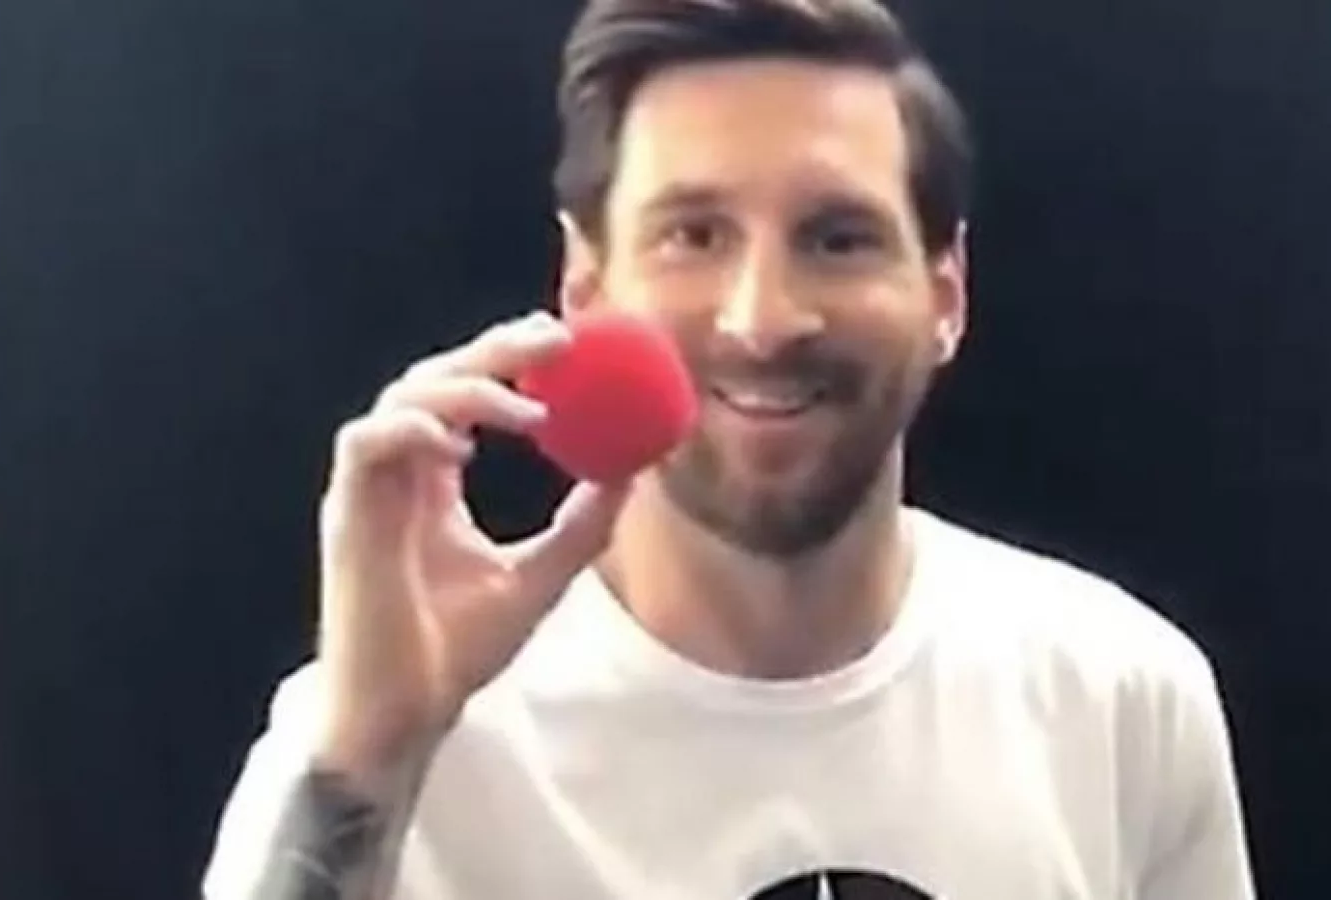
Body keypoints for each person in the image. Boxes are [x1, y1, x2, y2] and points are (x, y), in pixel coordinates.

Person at [203, 0, 1256, 897]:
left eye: (837, 238)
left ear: (946, 294)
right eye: (693, 235)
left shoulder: (1122, 698)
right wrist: (372, 753)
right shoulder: (377, 733)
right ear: (585, 289)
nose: (761, 320)